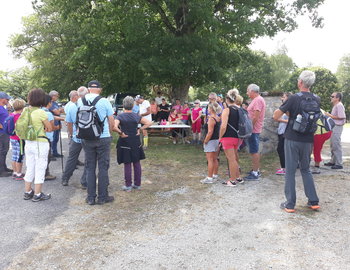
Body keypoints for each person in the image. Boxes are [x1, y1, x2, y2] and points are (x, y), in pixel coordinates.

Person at [273, 70, 320, 213]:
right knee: (306, 169)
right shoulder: (317, 98)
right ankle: (313, 201)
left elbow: (276, 115)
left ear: (300, 82)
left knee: (290, 171)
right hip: (308, 139)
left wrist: (288, 111)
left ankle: (290, 204)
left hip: (292, 138)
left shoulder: (293, 98)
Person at [77, 80, 115, 205]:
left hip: (86, 137)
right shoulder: (104, 101)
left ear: (88, 89)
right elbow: (111, 119)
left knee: (90, 167)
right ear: (99, 89)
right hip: (102, 137)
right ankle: (103, 197)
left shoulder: (80, 100)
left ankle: (91, 197)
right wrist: (108, 133)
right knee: (103, 167)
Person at [114, 96, 152, 191]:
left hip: (125, 141)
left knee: (127, 163)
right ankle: (137, 184)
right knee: (136, 162)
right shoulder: (136, 116)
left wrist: (120, 133)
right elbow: (149, 123)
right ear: (133, 105)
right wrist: (140, 129)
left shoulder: (120, 116)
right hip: (135, 141)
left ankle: (128, 186)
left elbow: (114, 127)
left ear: (123, 105)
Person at [23, 88, 53, 202]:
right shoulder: (40, 112)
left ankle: (27, 191)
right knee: (40, 167)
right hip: (40, 142)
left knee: (30, 166)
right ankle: (37, 193)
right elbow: (49, 128)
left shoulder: (26, 110)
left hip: (28, 142)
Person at [61, 89, 88, 187]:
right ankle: (84, 181)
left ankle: (65, 178)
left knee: (72, 158)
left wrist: (71, 134)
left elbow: (69, 122)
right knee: (89, 159)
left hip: (77, 136)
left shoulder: (72, 106)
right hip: (88, 136)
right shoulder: (90, 104)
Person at [219, 92, 244, 186]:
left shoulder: (227, 110)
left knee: (231, 159)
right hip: (237, 137)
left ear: (227, 100)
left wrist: (220, 137)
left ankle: (232, 180)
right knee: (235, 158)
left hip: (228, 137)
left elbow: (223, 126)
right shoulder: (239, 109)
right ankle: (238, 177)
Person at [244, 84, 266, 181]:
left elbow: (255, 117)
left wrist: (250, 127)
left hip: (254, 130)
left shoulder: (258, 100)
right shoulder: (257, 100)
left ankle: (255, 173)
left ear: (252, 91)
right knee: (253, 150)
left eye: (248, 91)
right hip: (253, 129)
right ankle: (255, 170)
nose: (247, 93)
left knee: (254, 151)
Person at [324, 92, 346, 169]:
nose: (331, 97)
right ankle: (333, 161)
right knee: (333, 144)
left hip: (337, 126)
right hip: (334, 126)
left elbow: (342, 117)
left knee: (336, 144)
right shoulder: (336, 105)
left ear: (337, 98)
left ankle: (339, 163)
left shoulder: (339, 105)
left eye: (332, 96)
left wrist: (329, 115)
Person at [201, 102, 222, 184]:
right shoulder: (218, 118)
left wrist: (205, 141)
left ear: (211, 109)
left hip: (211, 141)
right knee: (215, 159)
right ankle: (215, 175)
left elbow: (210, 132)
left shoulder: (211, 119)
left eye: (208, 108)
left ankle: (209, 178)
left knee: (210, 160)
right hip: (217, 140)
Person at [42, 94, 59, 181]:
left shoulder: (40, 111)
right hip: (47, 138)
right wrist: (57, 127)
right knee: (47, 157)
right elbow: (51, 128)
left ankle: (42, 173)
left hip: (40, 137)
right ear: (49, 103)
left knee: (42, 157)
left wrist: (61, 119)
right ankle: (45, 174)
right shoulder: (48, 113)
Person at [311, 109, 332, 174]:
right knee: (316, 149)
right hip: (327, 131)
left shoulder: (312, 111)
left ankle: (317, 168)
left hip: (320, 133)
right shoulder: (319, 109)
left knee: (316, 150)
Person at [275, 92, 291, 175]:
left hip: (285, 132)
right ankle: (285, 167)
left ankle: (284, 168)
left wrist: (280, 119)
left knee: (281, 150)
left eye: (284, 97)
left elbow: (291, 120)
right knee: (282, 150)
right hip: (281, 131)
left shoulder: (289, 108)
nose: (282, 98)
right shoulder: (284, 107)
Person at [9, 99, 26, 180]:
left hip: (12, 137)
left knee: (14, 155)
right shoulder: (20, 117)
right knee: (20, 156)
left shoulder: (12, 114)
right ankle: (19, 174)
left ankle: (15, 172)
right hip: (19, 138)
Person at [0, 91, 13, 177]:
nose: (8, 100)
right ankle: (1, 171)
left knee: (5, 150)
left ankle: (4, 167)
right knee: (1, 151)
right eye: (6, 98)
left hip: (5, 132)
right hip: (1, 133)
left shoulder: (3, 107)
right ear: (1, 99)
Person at [49, 90, 64, 157]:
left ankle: (55, 152)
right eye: (57, 96)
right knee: (53, 138)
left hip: (57, 122)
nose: (58, 97)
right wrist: (59, 110)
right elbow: (57, 112)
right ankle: (51, 153)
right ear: (53, 96)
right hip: (53, 123)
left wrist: (59, 110)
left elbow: (61, 111)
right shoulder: (50, 103)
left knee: (56, 138)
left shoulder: (55, 103)